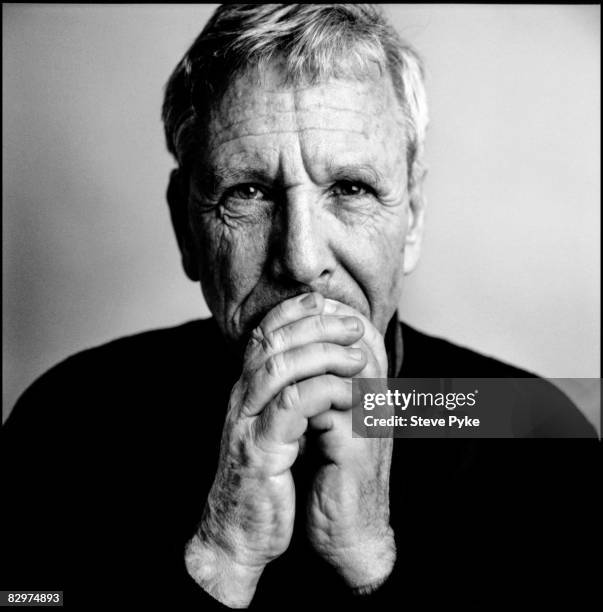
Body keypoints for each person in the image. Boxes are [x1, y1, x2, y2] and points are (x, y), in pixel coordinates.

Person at [1, 4, 598, 610]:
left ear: (412, 217)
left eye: (350, 188)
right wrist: (220, 557)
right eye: (249, 193)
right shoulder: (69, 419)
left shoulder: (530, 428)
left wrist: (368, 555)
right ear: (187, 226)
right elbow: (27, 601)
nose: (302, 258)